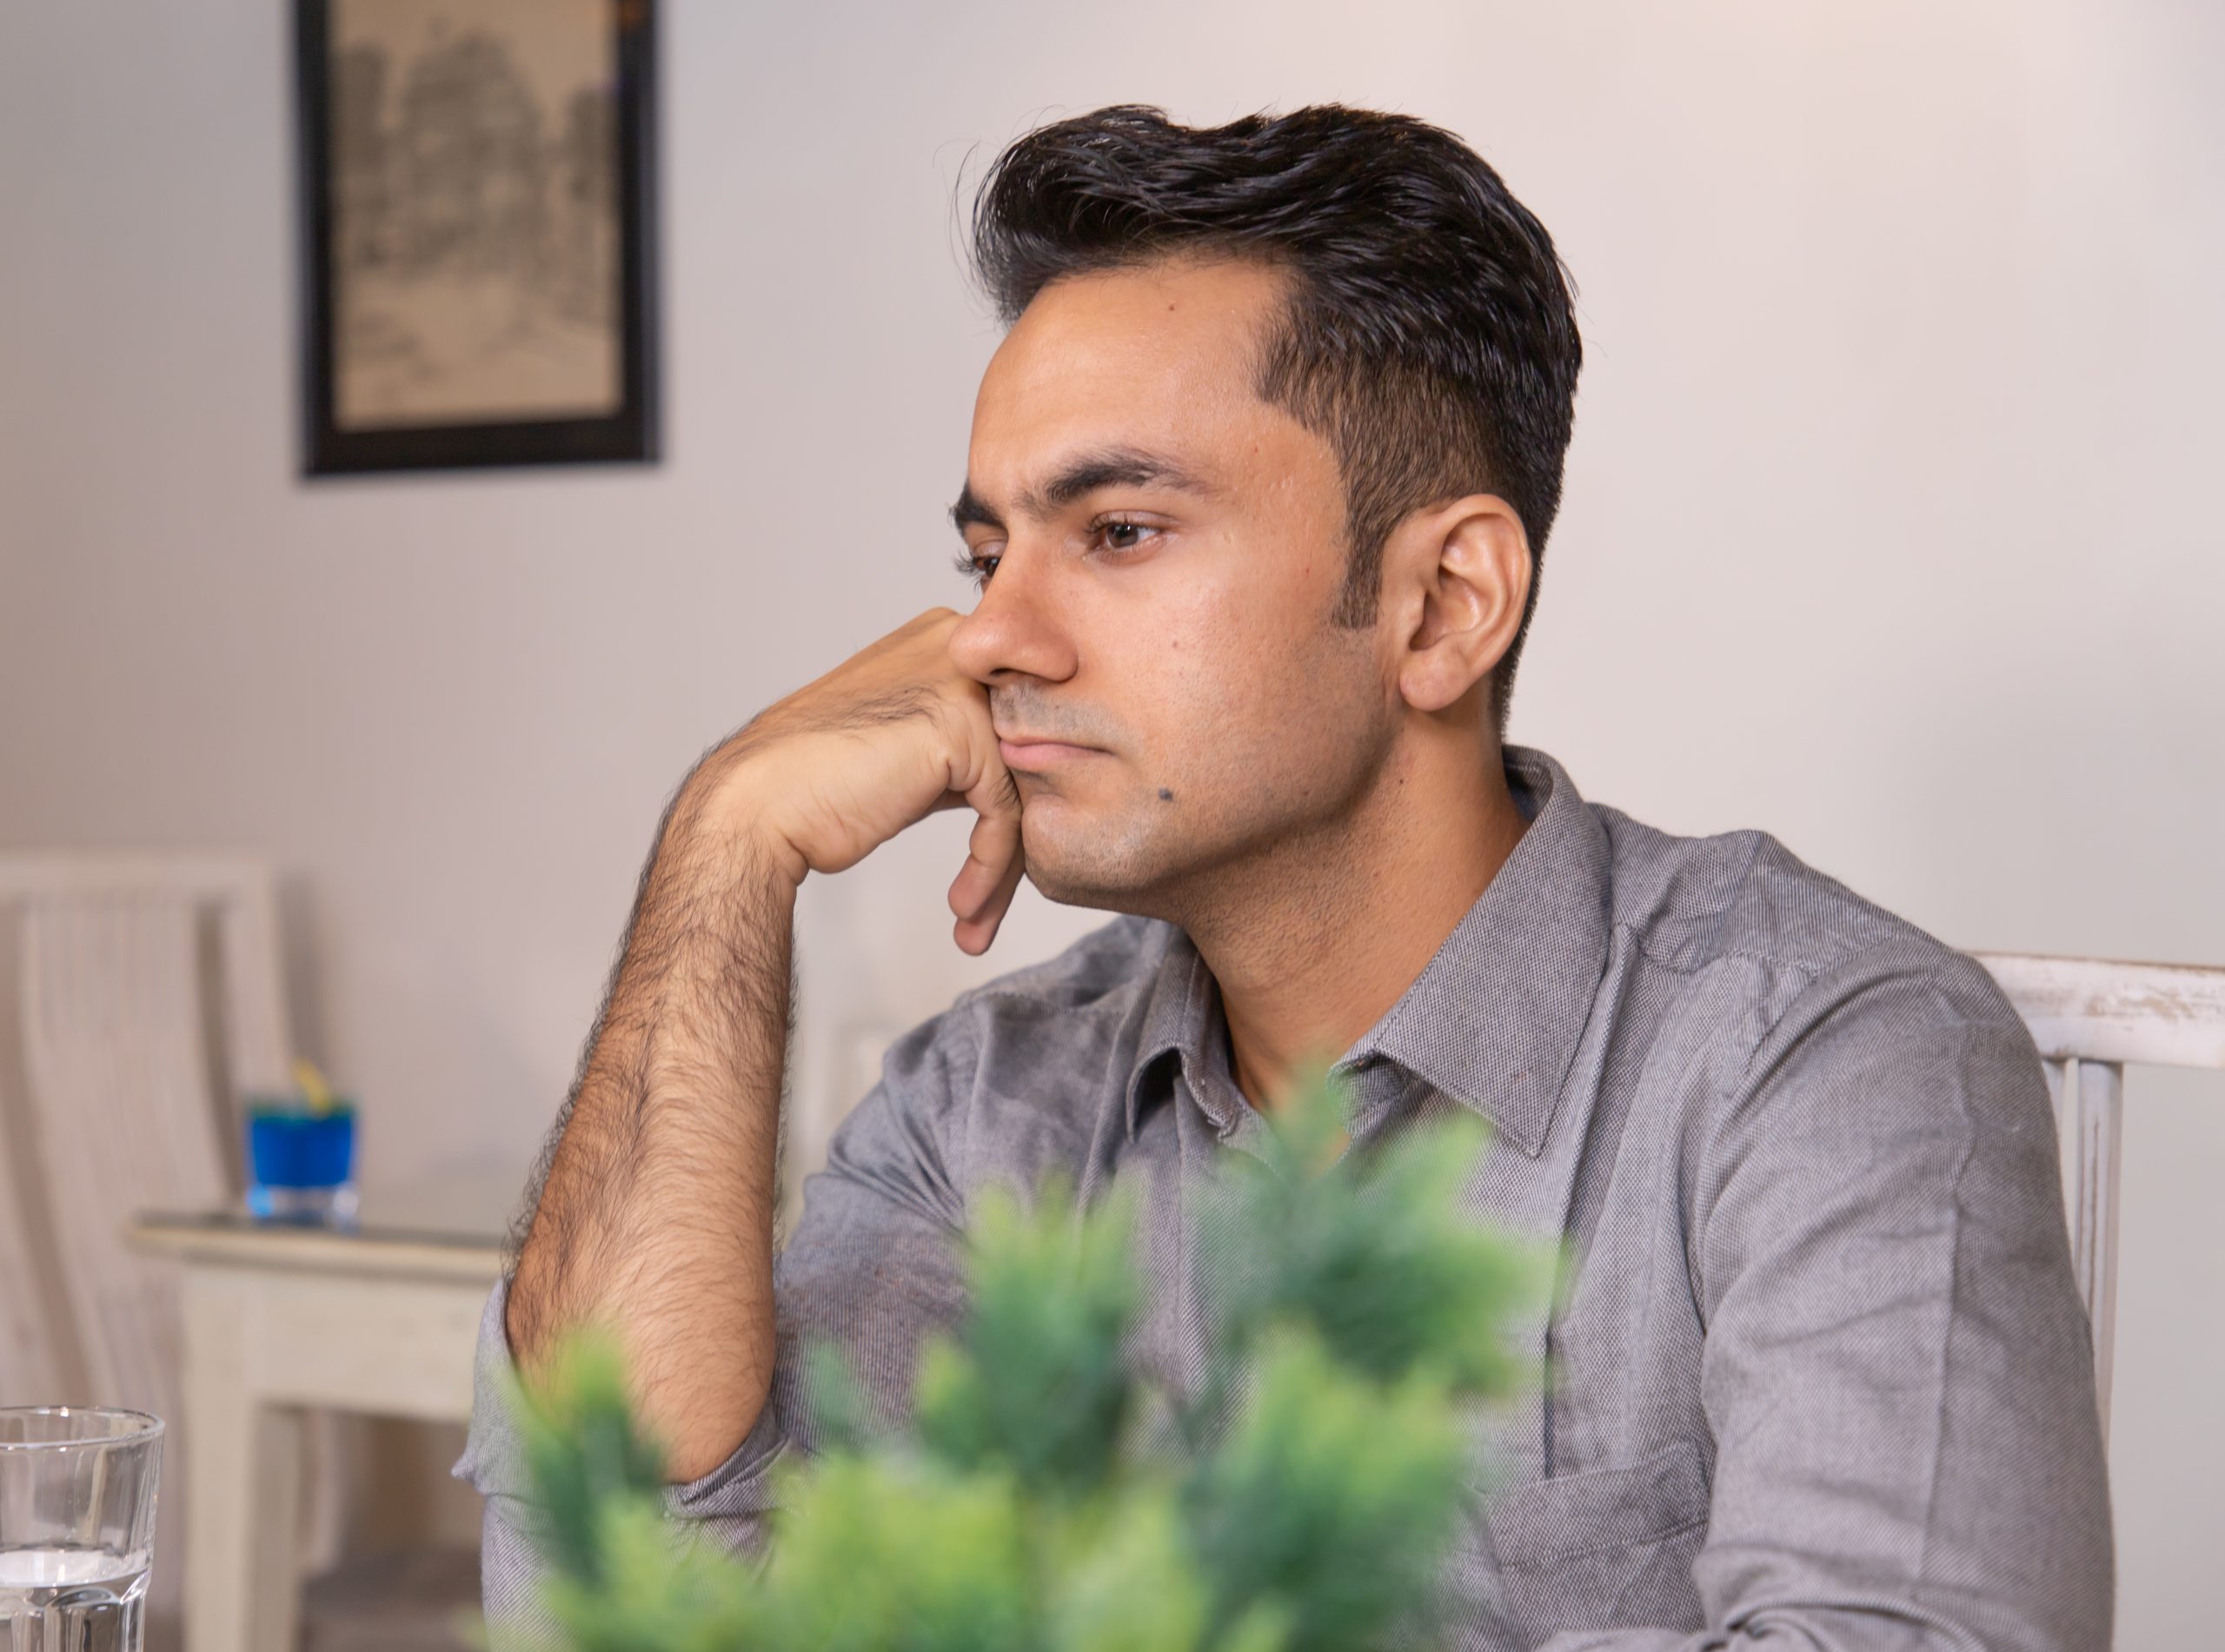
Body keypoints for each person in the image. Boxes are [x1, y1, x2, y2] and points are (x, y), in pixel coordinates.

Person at [457, 104, 2112, 1649]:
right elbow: (628, 1575)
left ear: (1445, 603)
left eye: (1116, 532)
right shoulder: (984, 1111)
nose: (990, 640)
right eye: (985, 552)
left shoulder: (1821, 1064)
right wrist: (724, 844)